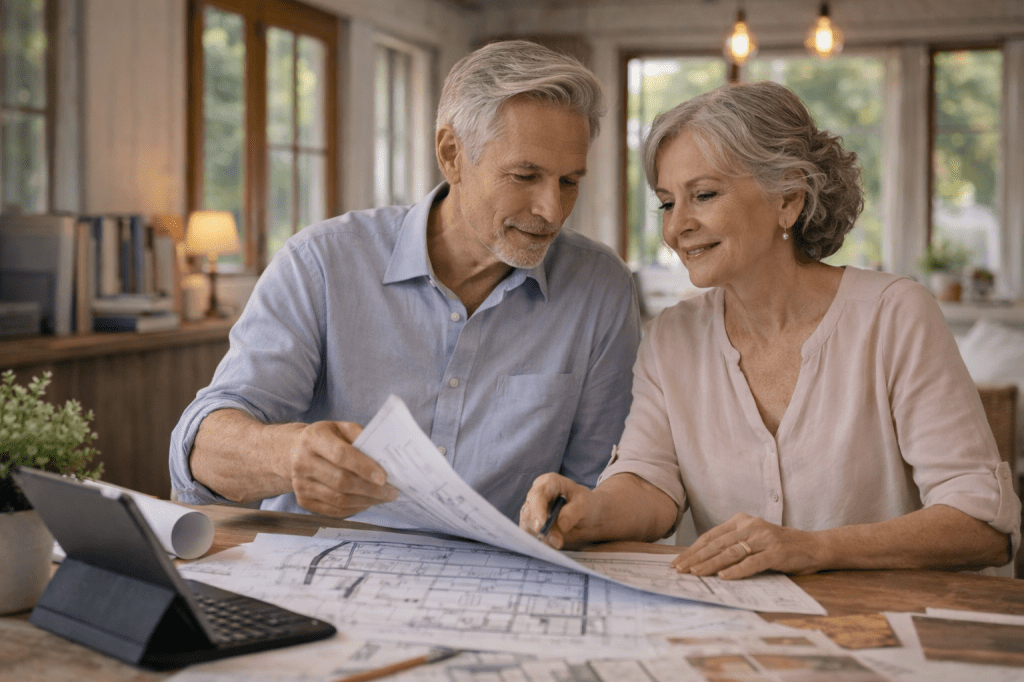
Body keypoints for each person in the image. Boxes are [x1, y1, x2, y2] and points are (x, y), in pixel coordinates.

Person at [521, 80, 1020, 578]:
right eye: (668, 203)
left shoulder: (895, 315)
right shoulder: (672, 338)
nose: (677, 228)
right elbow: (652, 484)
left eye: (704, 194)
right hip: (741, 634)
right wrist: (590, 512)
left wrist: (813, 549)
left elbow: (983, 526)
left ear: (788, 199)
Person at [170, 40, 642, 526]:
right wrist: (285, 455)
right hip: (317, 576)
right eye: (525, 176)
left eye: (569, 182)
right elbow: (199, 452)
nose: (552, 210)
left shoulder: (600, 289)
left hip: (496, 587)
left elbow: (594, 485)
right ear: (452, 154)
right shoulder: (321, 263)